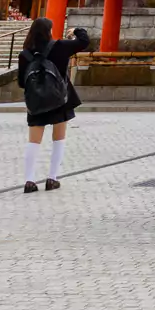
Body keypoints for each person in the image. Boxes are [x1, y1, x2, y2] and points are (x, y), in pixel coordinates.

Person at [19, 17, 93, 192]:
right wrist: (75, 31)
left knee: (33, 142)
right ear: (49, 31)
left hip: (36, 101)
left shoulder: (25, 54)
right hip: (59, 99)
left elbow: (22, 82)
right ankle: (52, 179)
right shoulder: (59, 47)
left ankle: (29, 181)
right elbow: (84, 42)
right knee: (58, 139)